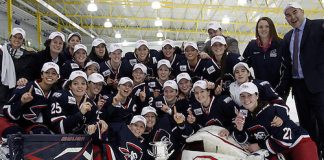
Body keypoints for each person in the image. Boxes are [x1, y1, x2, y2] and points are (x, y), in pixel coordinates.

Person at [233, 82, 318, 160]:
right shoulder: (243, 115)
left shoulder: (270, 111)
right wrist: (239, 129)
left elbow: (286, 139)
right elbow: (244, 139)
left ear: (257, 96)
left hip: (298, 143)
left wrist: (259, 145)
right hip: (277, 150)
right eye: (242, 96)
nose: (246, 99)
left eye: (249, 95)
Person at [282, 2, 324, 157]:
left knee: (323, 121)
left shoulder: (319, 26)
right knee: (306, 125)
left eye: (295, 12)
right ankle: (314, 154)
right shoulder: (287, 37)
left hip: (318, 86)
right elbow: (287, 65)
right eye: (288, 15)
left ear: (302, 11)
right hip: (298, 87)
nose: (292, 17)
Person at [0, 62, 60, 137]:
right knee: (16, 135)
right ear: (42, 75)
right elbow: (7, 112)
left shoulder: (56, 94)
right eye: (47, 72)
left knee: (42, 134)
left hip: (31, 125)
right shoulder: (26, 87)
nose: (50, 75)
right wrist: (21, 102)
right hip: (11, 122)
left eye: (54, 73)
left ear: (58, 77)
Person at [243, 17, 288, 100]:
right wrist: (252, 83)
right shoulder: (252, 46)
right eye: (260, 27)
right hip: (260, 90)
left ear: (271, 28)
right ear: (257, 29)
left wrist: (281, 89)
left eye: (267, 26)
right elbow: (243, 66)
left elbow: (287, 68)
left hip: (279, 91)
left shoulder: (281, 44)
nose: (263, 29)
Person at [47, 70, 106, 135]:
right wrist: (80, 113)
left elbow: (93, 125)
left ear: (87, 86)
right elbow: (60, 129)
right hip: (52, 140)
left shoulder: (91, 104)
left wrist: (94, 126)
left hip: (77, 142)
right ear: (70, 86)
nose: (80, 86)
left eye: (83, 83)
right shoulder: (60, 96)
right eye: (75, 83)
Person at [0, 27, 35, 110]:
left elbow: (28, 74)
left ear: (23, 41)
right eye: (15, 37)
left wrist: (24, 79)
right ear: (10, 38)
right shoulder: (1, 52)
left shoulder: (28, 56)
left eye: (20, 38)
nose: (17, 39)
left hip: (14, 92)